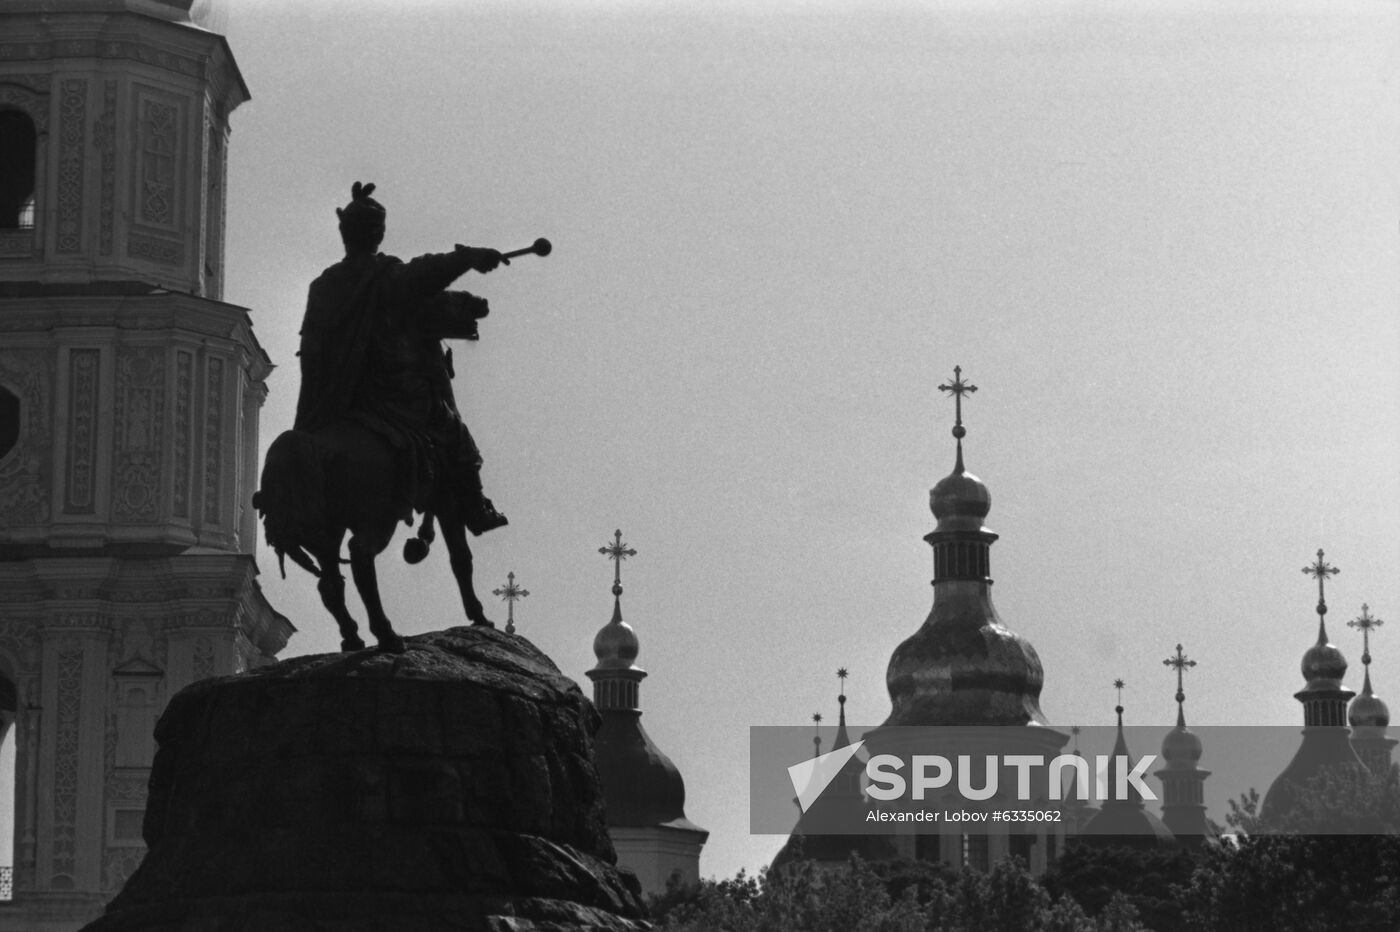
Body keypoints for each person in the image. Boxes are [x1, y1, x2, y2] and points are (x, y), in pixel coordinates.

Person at [294, 181, 508, 535]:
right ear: (377, 235)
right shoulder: (386, 276)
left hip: (335, 402)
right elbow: (424, 275)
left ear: (345, 234)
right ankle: (474, 508)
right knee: (453, 429)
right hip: (391, 393)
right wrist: (468, 257)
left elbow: (313, 355)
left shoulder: (324, 286)